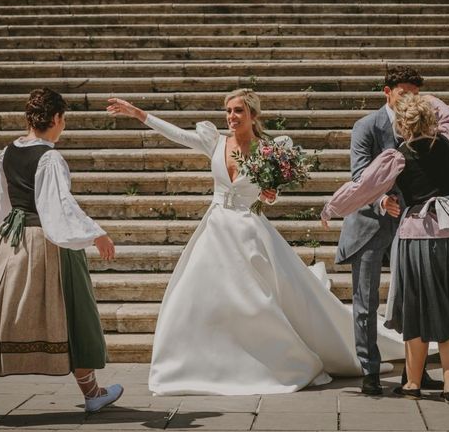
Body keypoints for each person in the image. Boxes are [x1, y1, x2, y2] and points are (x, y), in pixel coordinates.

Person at [107, 89, 403, 396]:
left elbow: (266, 197)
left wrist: (269, 196)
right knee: (196, 297)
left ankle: (271, 360)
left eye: (238, 111)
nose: (231, 117)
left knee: (260, 299)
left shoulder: (269, 151)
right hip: (216, 229)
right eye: (228, 111)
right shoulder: (214, 141)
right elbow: (178, 135)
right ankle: (199, 362)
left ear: (252, 116)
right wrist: (138, 114)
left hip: (250, 230)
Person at [0, 88, 123, 424]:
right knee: (74, 312)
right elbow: (59, 205)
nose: (63, 126)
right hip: (46, 242)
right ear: (56, 118)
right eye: (63, 120)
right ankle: (92, 394)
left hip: (9, 240)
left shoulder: (8, 151)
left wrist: (9, 230)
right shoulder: (50, 157)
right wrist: (95, 233)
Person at [321, 93, 449, 405]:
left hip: (421, 237)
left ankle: (413, 383)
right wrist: (429, 98)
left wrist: (330, 209)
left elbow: (361, 187)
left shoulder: (398, 156)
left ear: (403, 125)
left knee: (417, 308)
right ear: (433, 120)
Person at [335, 65, 443, 395]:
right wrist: (382, 200)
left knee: (413, 299)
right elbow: (358, 176)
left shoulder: (423, 126)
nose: (409, 99)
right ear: (387, 92)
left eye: (414, 93)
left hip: (411, 224)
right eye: (403, 93)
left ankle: (416, 370)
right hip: (369, 223)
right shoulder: (366, 126)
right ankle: (369, 371)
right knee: (365, 303)